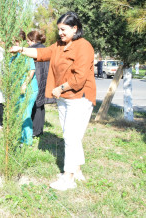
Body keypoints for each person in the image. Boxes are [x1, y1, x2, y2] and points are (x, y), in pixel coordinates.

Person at [10, 11, 96, 191]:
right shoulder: (58, 45)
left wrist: (61, 88)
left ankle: (68, 178)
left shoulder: (84, 47)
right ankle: (77, 170)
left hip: (79, 97)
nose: (60, 33)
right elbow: (42, 53)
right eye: (59, 30)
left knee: (71, 136)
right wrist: (21, 49)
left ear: (75, 28)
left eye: (63, 29)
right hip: (64, 97)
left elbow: (79, 78)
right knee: (71, 135)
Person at [25, 30, 55, 138]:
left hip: (36, 79)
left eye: (28, 41)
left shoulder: (31, 50)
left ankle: (35, 130)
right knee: (41, 105)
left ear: (33, 40)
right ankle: (40, 129)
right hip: (46, 79)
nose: (27, 43)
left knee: (35, 105)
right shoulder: (46, 48)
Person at [12, 35, 38, 146]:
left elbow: (31, 71)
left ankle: (28, 142)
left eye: (15, 41)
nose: (14, 43)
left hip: (28, 89)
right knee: (19, 114)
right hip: (17, 89)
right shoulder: (14, 55)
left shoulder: (26, 54)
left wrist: (24, 84)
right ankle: (22, 139)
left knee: (25, 114)